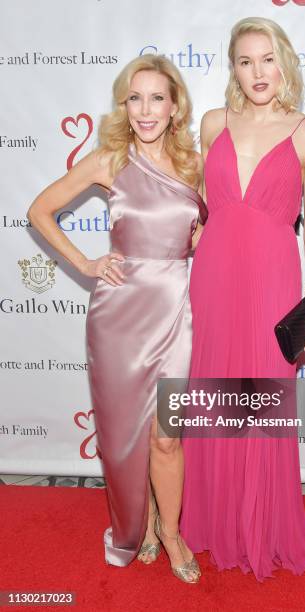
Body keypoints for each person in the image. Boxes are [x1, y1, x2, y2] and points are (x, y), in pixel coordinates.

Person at [27, 54, 207, 583]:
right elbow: (40, 210)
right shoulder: (110, 160)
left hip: (178, 311)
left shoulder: (195, 164)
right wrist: (84, 262)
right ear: (123, 106)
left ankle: (171, 531)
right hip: (119, 317)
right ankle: (141, 526)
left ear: (175, 107)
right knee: (124, 435)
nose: (145, 109)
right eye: (135, 98)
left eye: (157, 98)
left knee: (168, 435)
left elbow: (211, 231)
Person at [180, 17, 305, 581]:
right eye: (245, 61)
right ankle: (214, 521)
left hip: (272, 277)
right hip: (214, 275)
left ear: (285, 61)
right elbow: (200, 206)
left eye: (267, 59)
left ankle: (263, 526)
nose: (257, 72)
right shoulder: (212, 122)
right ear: (232, 68)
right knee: (215, 389)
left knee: (264, 396)